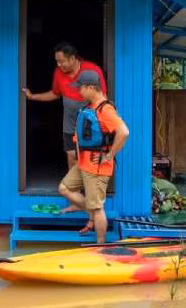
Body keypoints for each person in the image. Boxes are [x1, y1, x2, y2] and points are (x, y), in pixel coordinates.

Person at [58, 70, 128, 243]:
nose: (78, 91)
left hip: (97, 167)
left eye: (80, 88)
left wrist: (109, 155)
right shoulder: (89, 107)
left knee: (97, 208)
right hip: (83, 164)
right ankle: (91, 216)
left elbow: (124, 132)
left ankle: (100, 243)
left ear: (90, 87)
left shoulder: (106, 109)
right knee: (64, 188)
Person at [22, 42, 107, 171]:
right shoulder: (58, 72)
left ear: (73, 58)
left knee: (88, 157)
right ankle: (74, 189)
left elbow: (102, 97)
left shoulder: (92, 70)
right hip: (69, 124)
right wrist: (32, 96)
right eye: (57, 62)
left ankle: (89, 188)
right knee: (72, 156)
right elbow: (55, 94)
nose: (59, 65)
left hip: (89, 123)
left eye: (62, 61)